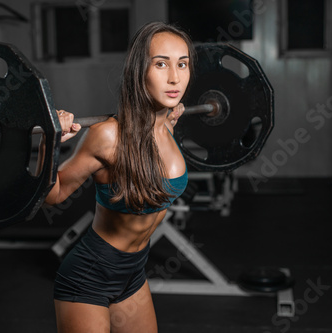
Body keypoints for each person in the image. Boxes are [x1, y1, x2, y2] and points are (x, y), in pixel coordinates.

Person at [43, 21, 196, 333]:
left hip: (134, 273)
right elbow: (54, 194)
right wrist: (50, 144)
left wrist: (170, 113)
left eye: (182, 64)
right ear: (140, 71)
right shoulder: (107, 135)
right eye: (161, 64)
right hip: (90, 276)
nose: (174, 77)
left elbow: (153, 150)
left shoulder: (165, 124)